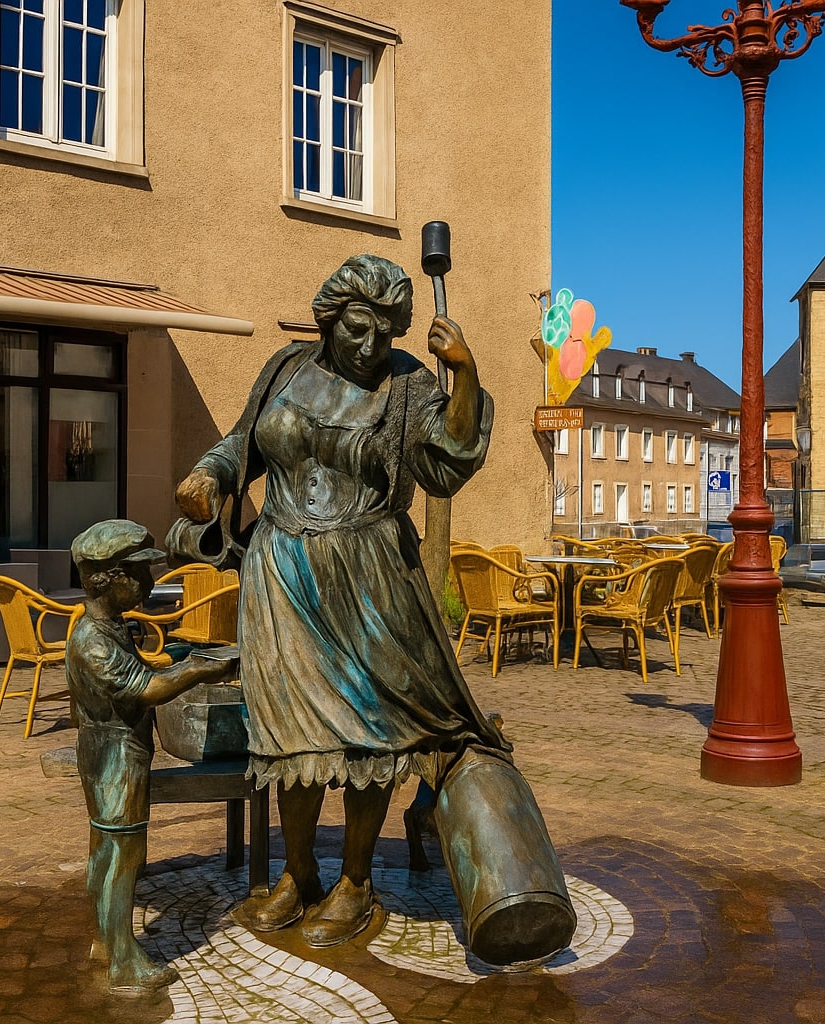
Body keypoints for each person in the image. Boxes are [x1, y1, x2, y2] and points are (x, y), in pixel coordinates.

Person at [174, 254, 509, 947]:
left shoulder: (410, 383)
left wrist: (467, 372)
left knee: (366, 735)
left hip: (368, 577)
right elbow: (242, 445)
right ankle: (299, 874)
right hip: (282, 574)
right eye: (359, 329)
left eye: (385, 334)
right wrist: (207, 475)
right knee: (290, 737)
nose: (370, 346)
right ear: (332, 319)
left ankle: (356, 881)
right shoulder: (284, 369)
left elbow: (449, 459)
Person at [67, 519, 241, 995]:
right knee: (124, 854)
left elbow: (140, 673)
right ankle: (124, 959)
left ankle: (107, 939)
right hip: (116, 759)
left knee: (107, 850)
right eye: (140, 574)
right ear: (111, 578)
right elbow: (147, 688)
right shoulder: (93, 640)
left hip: (111, 755)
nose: (149, 583)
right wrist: (200, 668)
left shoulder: (107, 628)